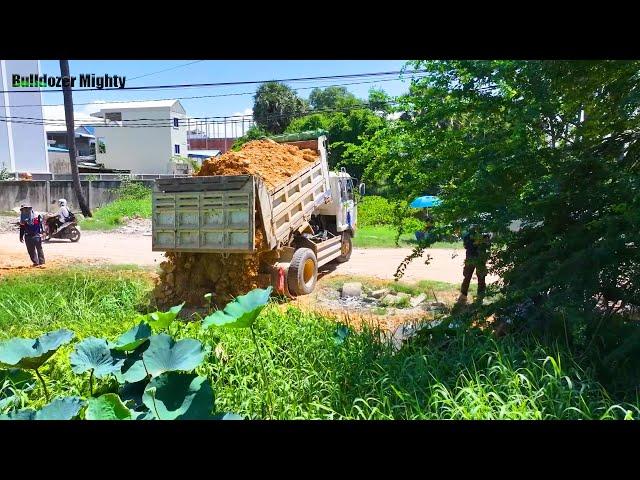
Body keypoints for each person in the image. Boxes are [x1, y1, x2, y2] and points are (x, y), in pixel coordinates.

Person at [458, 225, 490, 304]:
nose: (476, 228)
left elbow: (488, 245)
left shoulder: (485, 235)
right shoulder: (467, 236)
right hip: (470, 259)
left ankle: (480, 297)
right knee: (467, 277)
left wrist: (483, 241)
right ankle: (463, 295)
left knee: (481, 278)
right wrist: (475, 243)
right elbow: (466, 246)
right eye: (474, 227)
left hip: (481, 259)